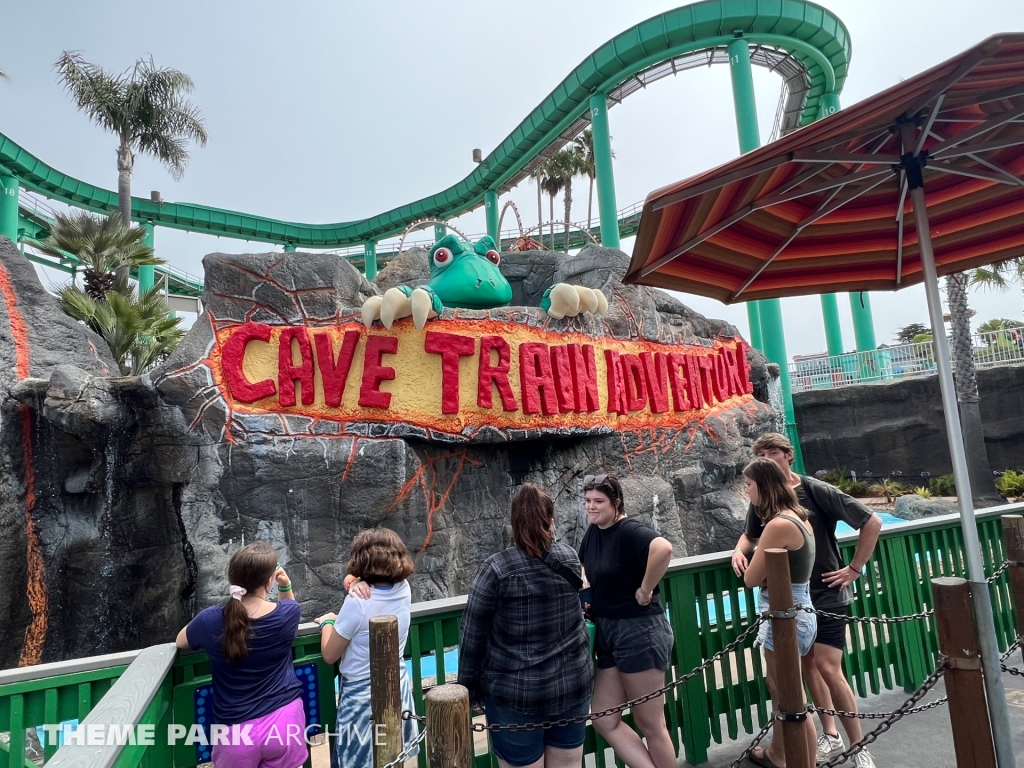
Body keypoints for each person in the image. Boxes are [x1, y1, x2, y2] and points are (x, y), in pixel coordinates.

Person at [732, 433, 883, 768]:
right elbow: (750, 535)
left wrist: (854, 569)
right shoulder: (766, 503)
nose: (768, 459)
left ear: (788, 456)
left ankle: (858, 747)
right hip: (793, 602)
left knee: (827, 668)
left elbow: (872, 521)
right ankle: (828, 735)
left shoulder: (814, 491)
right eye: (762, 455)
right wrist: (739, 551)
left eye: (773, 453)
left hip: (824, 592)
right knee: (807, 666)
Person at [458, 484, 594, 768]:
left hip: (515, 692)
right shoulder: (568, 556)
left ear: (513, 523)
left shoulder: (495, 568)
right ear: (551, 520)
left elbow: (472, 635)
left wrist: (469, 687)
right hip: (571, 684)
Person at [175, 542, 307, 768]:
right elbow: (289, 608)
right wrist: (285, 587)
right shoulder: (287, 615)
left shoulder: (210, 620)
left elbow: (180, 641)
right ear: (269, 582)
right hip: (284, 722)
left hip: (235, 733)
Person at [578, 474, 676, 768]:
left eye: (598, 502)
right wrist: (586, 593)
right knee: (604, 717)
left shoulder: (630, 530)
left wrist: (645, 589)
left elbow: (664, 548)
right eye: (587, 501)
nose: (591, 507)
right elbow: (583, 564)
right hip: (608, 630)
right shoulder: (594, 532)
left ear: (615, 503)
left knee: (651, 723)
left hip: (639, 629)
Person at [315, 528, 419, 768]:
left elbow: (330, 655)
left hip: (363, 700)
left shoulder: (357, 602)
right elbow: (377, 579)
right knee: (394, 759)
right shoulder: (403, 588)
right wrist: (355, 580)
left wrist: (328, 622)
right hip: (397, 688)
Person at [740, 458, 818, 768]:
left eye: (748, 485)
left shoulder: (778, 524)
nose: (746, 491)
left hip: (786, 615)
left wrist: (755, 549)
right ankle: (777, 753)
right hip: (800, 609)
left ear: (762, 486)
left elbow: (750, 578)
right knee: (782, 691)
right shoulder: (798, 515)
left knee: (791, 697)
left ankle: (806, 762)